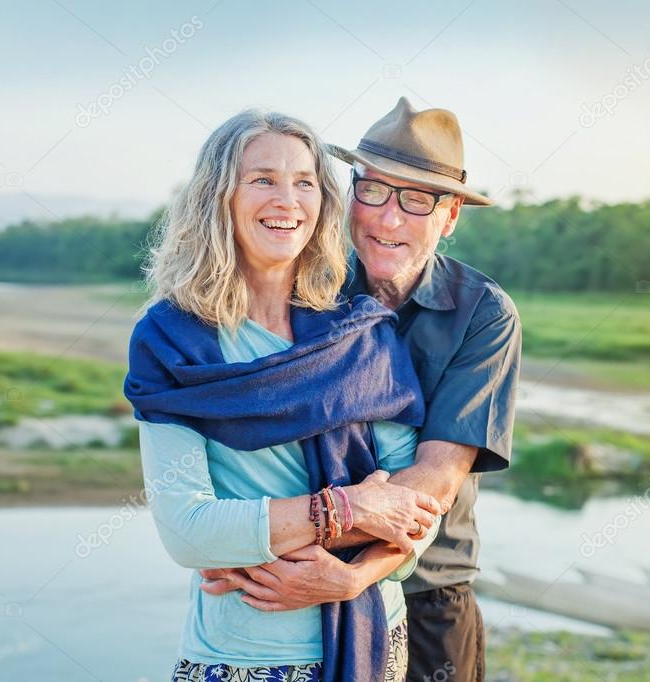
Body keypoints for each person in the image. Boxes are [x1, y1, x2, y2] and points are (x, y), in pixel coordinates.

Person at [123, 109, 443, 682]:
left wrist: (352, 573)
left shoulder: (361, 332)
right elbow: (188, 530)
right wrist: (353, 507)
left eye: (304, 182)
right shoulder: (174, 338)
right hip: (243, 652)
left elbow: (415, 513)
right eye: (263, 179)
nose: (287, 200)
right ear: (219, 196)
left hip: (373, 638)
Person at [209, 98, 521, 681]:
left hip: (426, 595)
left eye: (417, 199)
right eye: (373, 190)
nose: (387, 219)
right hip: (282, 594)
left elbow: (434, 481)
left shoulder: (483, 314)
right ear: (350, 192)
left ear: (450, 215)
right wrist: (241, 543)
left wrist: (296, 555)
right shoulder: (304, 285)